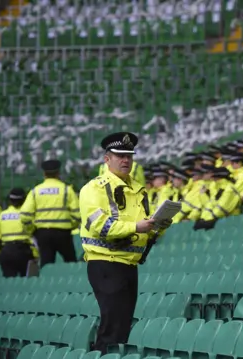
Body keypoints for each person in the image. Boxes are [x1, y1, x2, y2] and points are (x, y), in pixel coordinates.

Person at [80, 132, 172, 352]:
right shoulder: (93, 189)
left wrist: (158, 226)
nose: (125, 160)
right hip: (106, 264)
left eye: (129, 156)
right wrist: (136, 227)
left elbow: (144, 231)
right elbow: (100, 226)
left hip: (129, 265)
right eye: (119, 155)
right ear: (106, 159)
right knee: (112, 328)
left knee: (122, 328)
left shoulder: (139, 189)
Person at [20, 159, 80, 267]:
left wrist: (31, 229)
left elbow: (24, 215)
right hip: (63, 233)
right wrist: (71, 225)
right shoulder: (66, 190)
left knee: (46, 264)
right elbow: (77, 214)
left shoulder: (36, 191)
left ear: (44, 174)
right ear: (58, 173)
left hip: (43, 233)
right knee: (71, 263)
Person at [0, 188, 37, 277]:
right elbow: (32, 238)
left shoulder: (1, 216)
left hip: (6, 252)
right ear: (24, 200)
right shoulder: (26, 216)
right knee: (26, 283)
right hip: (23, 251)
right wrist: (36, 256)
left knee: (10, 284)